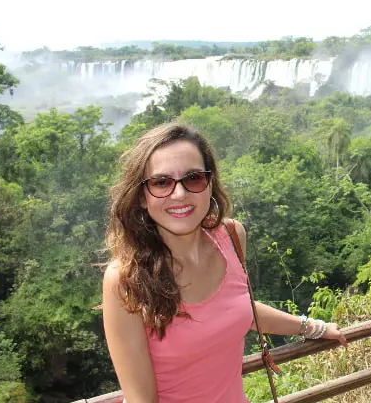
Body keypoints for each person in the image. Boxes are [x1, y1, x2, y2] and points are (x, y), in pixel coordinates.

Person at [102, 122, 347, 403]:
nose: (179, 194)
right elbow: (141, 400)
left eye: (193, 178)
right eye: (161, 182)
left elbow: (236, 307)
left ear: (210, 184)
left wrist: (313, 327)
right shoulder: (125, 279)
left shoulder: (230, 236)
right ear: (142, 198)